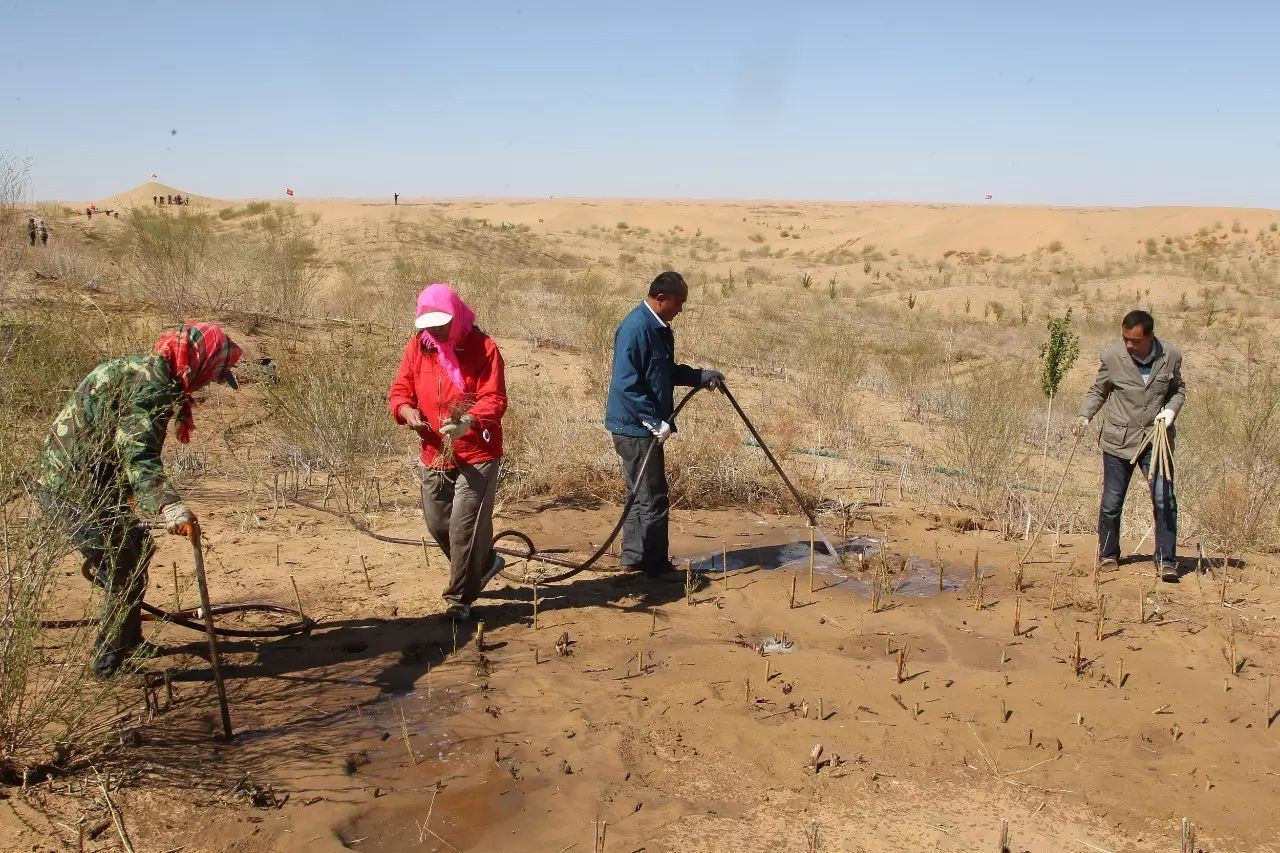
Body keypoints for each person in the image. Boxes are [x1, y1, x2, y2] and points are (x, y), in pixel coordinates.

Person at [37, 323, 243, 676]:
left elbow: (118, 443)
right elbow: (137, 452)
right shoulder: (153, 384)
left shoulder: (141, 369)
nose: (210, 383)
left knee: (136, 549)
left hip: (86, 483)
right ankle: (109, 660)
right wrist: (170, 506)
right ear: (200, 361)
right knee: (122, 565)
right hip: (73, 487)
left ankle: (128, 639)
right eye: (214, 374)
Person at [388, 284, 508, 620]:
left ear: (456, 317)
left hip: (477, 450)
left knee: (463, 527)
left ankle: (459, 599)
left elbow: (494, 398)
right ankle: (484, 563)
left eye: (442, 323)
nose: (436, 330)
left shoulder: (484, 347)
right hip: (434, 450)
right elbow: (400, 389)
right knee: (438, 523)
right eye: (429, 324)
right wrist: (405, 411)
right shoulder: (418, 346)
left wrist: (468, 421)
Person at [604, 271, 724, 578]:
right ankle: (655, 567)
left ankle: (634, 559)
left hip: (642, 426)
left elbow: (664, 372)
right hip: (634, 429)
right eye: (679, 302)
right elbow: (625, 385)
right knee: (652, 497)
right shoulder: (636, 329)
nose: (681, 309)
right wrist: (653, 419)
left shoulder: (658, 329)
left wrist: (700, 376)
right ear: (661, 299)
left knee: (639, 494)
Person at [1074, 309, 1186, 582]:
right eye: (1125, 338)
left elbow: (1178, 390)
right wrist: (1085, 414)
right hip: (1118, 441)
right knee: (1112, 502)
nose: (1128, 345)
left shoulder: (1170, 356)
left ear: (1149, 336)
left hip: (1156, 441)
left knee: (1165, 499)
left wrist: (1170, 411)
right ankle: (1108, 555)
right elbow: (1098, 390)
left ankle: (1167, 561)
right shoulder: (1112, 356)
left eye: (1134, 340)